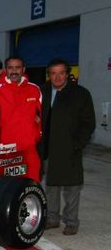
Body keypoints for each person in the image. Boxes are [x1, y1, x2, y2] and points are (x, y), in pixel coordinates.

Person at [38, 59, 95, 235]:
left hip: (70, 148)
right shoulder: (42, 91)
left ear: (68, 74)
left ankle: (71, 222)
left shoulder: (80, 94)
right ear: (49, 74)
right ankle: (53, 219)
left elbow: (88, 123)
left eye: (61, 72)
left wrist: (78, 144)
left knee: (72, 188)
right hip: (47, 148)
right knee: (51, 187)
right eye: (53, 73)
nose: (57, 77)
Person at [0, 56, 42, 182]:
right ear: (5, 70)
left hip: (29, 149)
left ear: (23, 69)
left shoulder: (34, 89)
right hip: (7, 150)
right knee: (9, 188)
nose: (14, 71)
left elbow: (39, 117)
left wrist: (36, 137)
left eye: (17, 67)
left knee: (32, 185)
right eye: (10, 68)